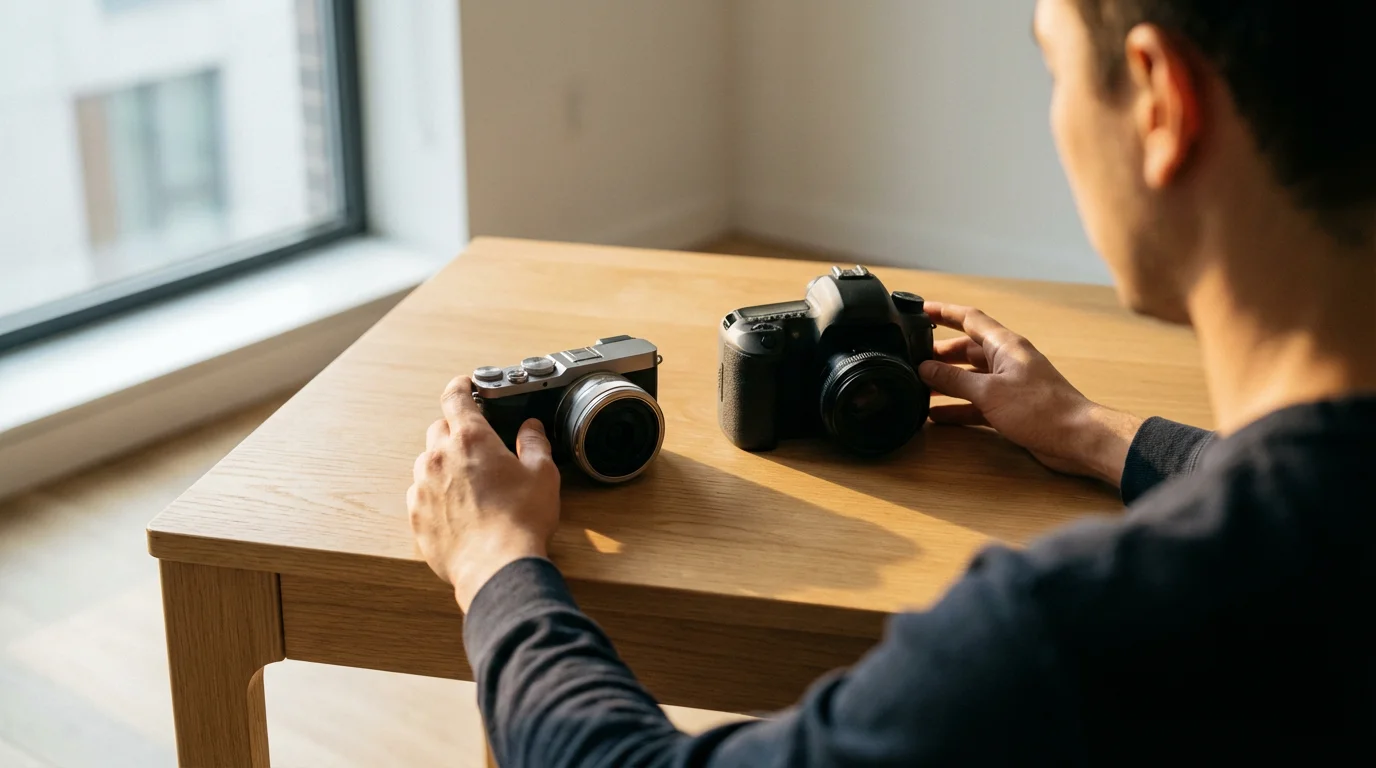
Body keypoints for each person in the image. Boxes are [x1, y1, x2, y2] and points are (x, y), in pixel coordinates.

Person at [407, 0, 1376, 764]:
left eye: (1051, 63)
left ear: (1157, 103)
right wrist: (1084, 429)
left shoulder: (1066, 643)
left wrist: (495, 566)